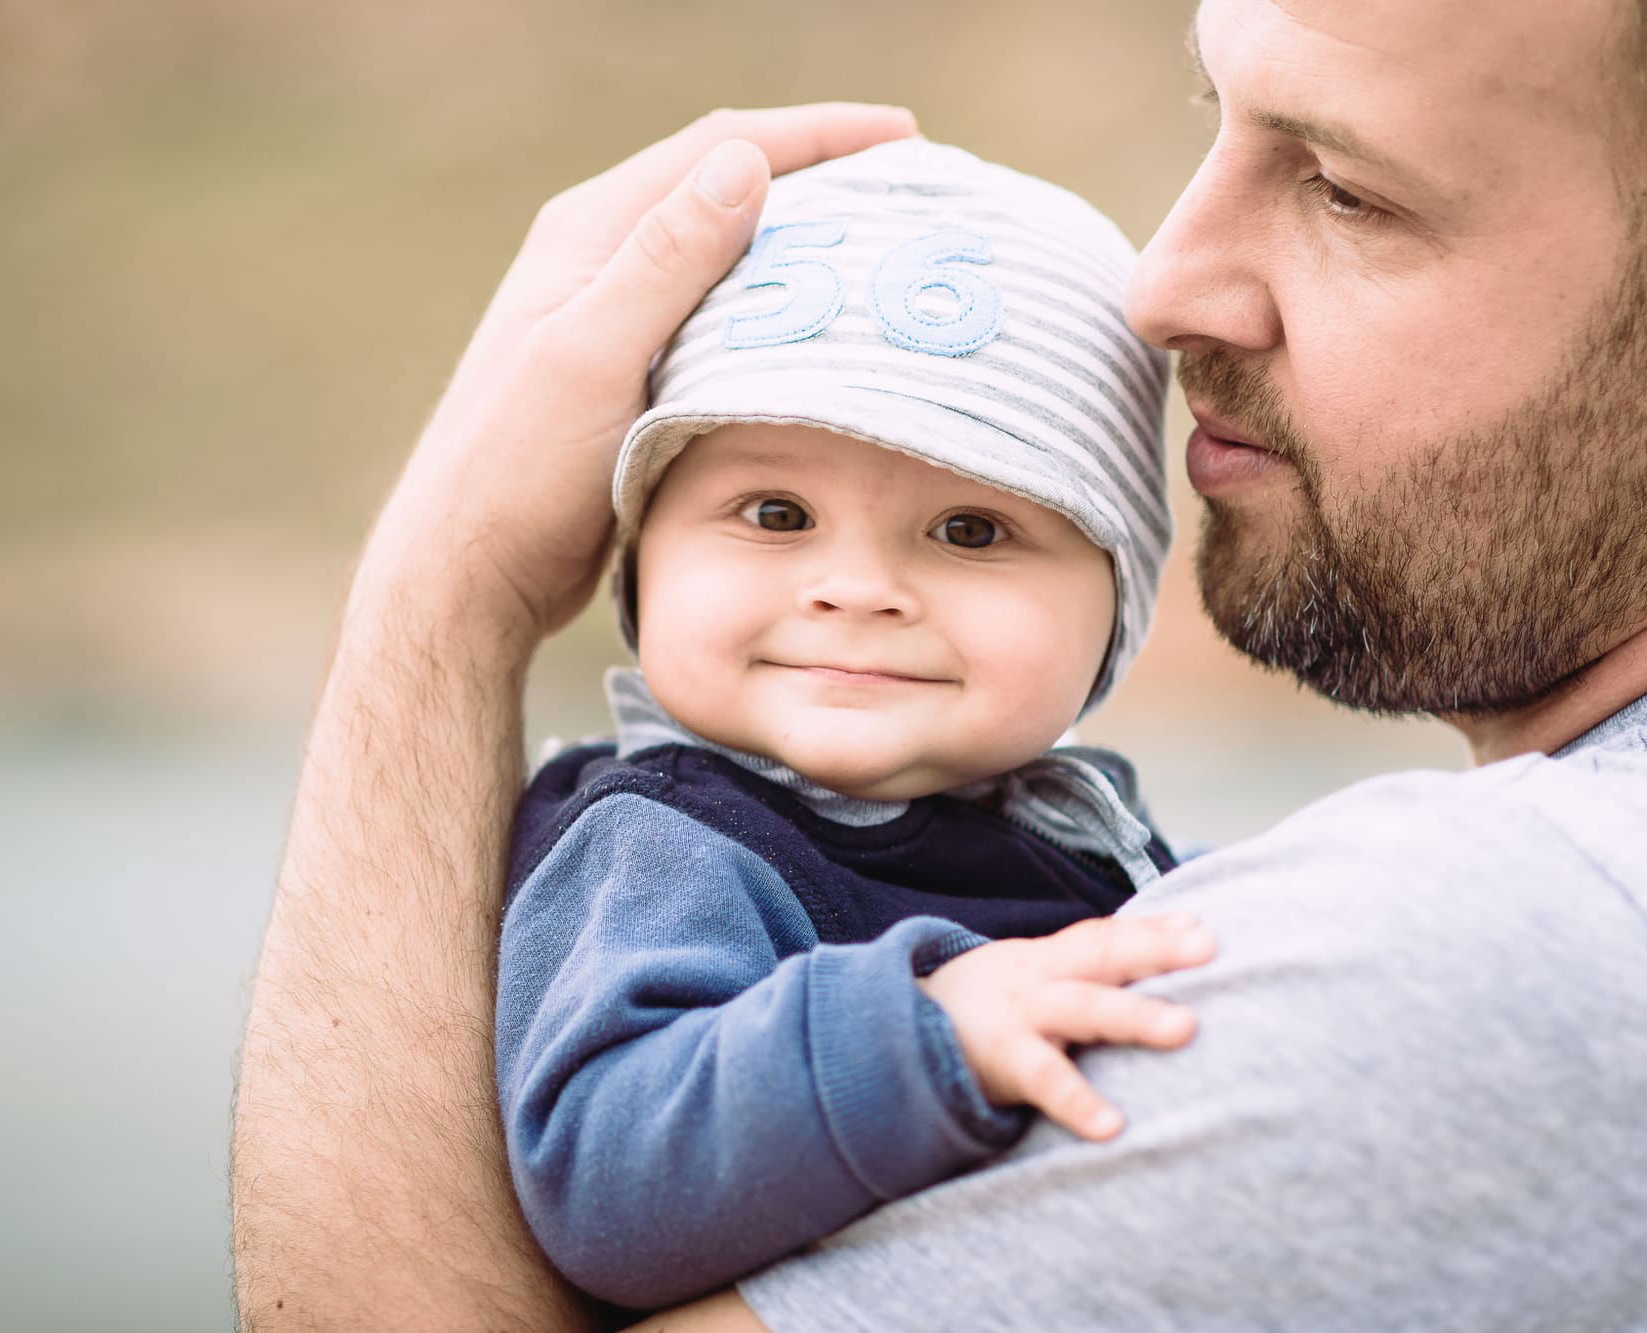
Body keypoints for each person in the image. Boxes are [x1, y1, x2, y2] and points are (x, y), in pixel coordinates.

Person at [232, 0, 1647, 1327]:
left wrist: (441, 595)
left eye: (1349, 188)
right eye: (1220, 124)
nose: (1165, 281)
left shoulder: (1521, 959)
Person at [496, 139, 1213, 1323]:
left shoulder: (1086, 840)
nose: (857, 587)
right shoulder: (661, 843)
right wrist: (928, 1032)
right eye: (775, 513)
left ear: (1113, 608)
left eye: (972, 530)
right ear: (640, 565)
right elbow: (603, 1181)